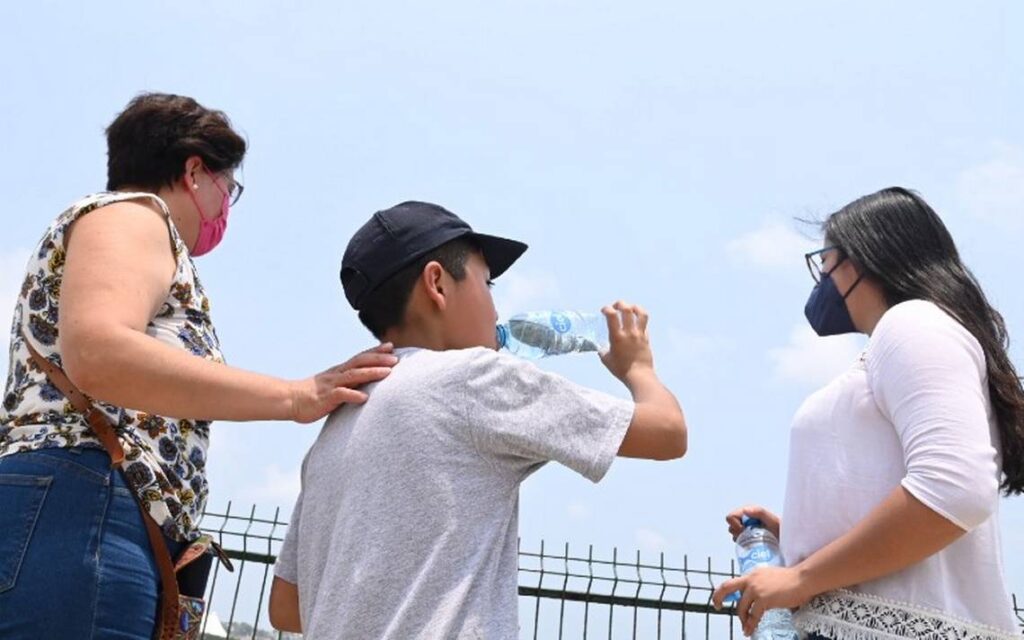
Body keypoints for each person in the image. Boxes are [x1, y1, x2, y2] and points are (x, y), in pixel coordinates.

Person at [0, 93, 396, 639]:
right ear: (194, 172)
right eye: (228, 188)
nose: (226, 206)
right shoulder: (134, 216)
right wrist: (295, 396)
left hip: (85, 510)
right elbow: (98, 352)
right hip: (85, 503)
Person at [268, 201, 687, 638]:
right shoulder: (473, 379)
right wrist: (638, 367)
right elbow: (668, 433)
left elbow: (285, 606)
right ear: (437, 284)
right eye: (487, 285)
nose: (495, 309)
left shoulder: (337, 420)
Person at [712, 187, 1024, 639]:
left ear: (864, 257)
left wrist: (800, 577)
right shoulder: (911, 338)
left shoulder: (912, 323)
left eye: (826, 260)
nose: (821, 277)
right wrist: (801, 535)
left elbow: (954, 488)